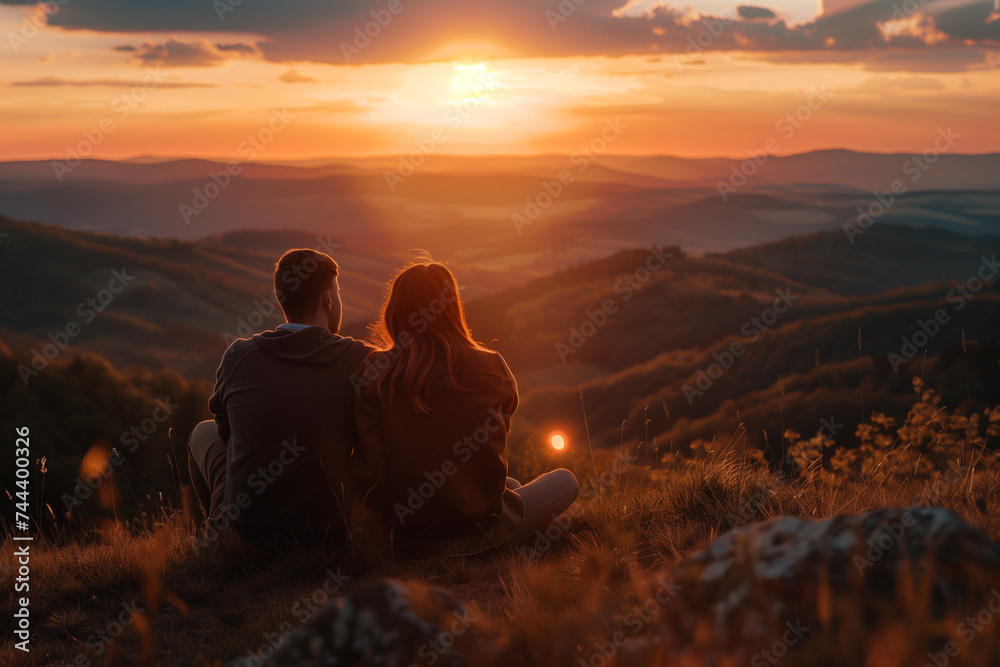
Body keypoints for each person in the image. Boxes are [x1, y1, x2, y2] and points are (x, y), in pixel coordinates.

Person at [353, 261, 579, 558]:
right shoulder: (491, 365)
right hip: (486, 526)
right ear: (452, 309)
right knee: (565, 480)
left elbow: (375, 467)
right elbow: (498, 436)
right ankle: (506, 546)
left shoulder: (374, 374)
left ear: (395, 312)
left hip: (412, 537)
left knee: (512, 486)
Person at [187, 248, 375, 562]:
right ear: (328, 300)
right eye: (338, 293)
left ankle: (208, 543)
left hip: (249, 540)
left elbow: (227, 433)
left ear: (281, 300)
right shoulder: (360, 360)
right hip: (329, 541)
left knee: (200, 433)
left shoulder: (239, 356)